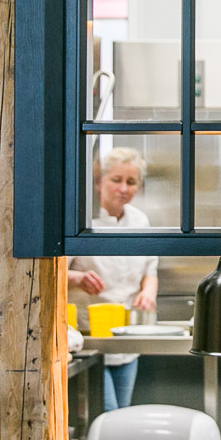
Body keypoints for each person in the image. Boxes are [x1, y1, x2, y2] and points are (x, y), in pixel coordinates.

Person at [67, 147, 159, 412]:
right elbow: (51, 275)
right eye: (116, 180)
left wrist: (148, 293)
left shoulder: (140, 221)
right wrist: (77, 278)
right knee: (106, 415)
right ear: (98, 181)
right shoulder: (81, 220)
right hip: (88, 339)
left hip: (126, 338)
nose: (124, 188)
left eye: (131, 182)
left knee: (121, 415)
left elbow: (150, 270)